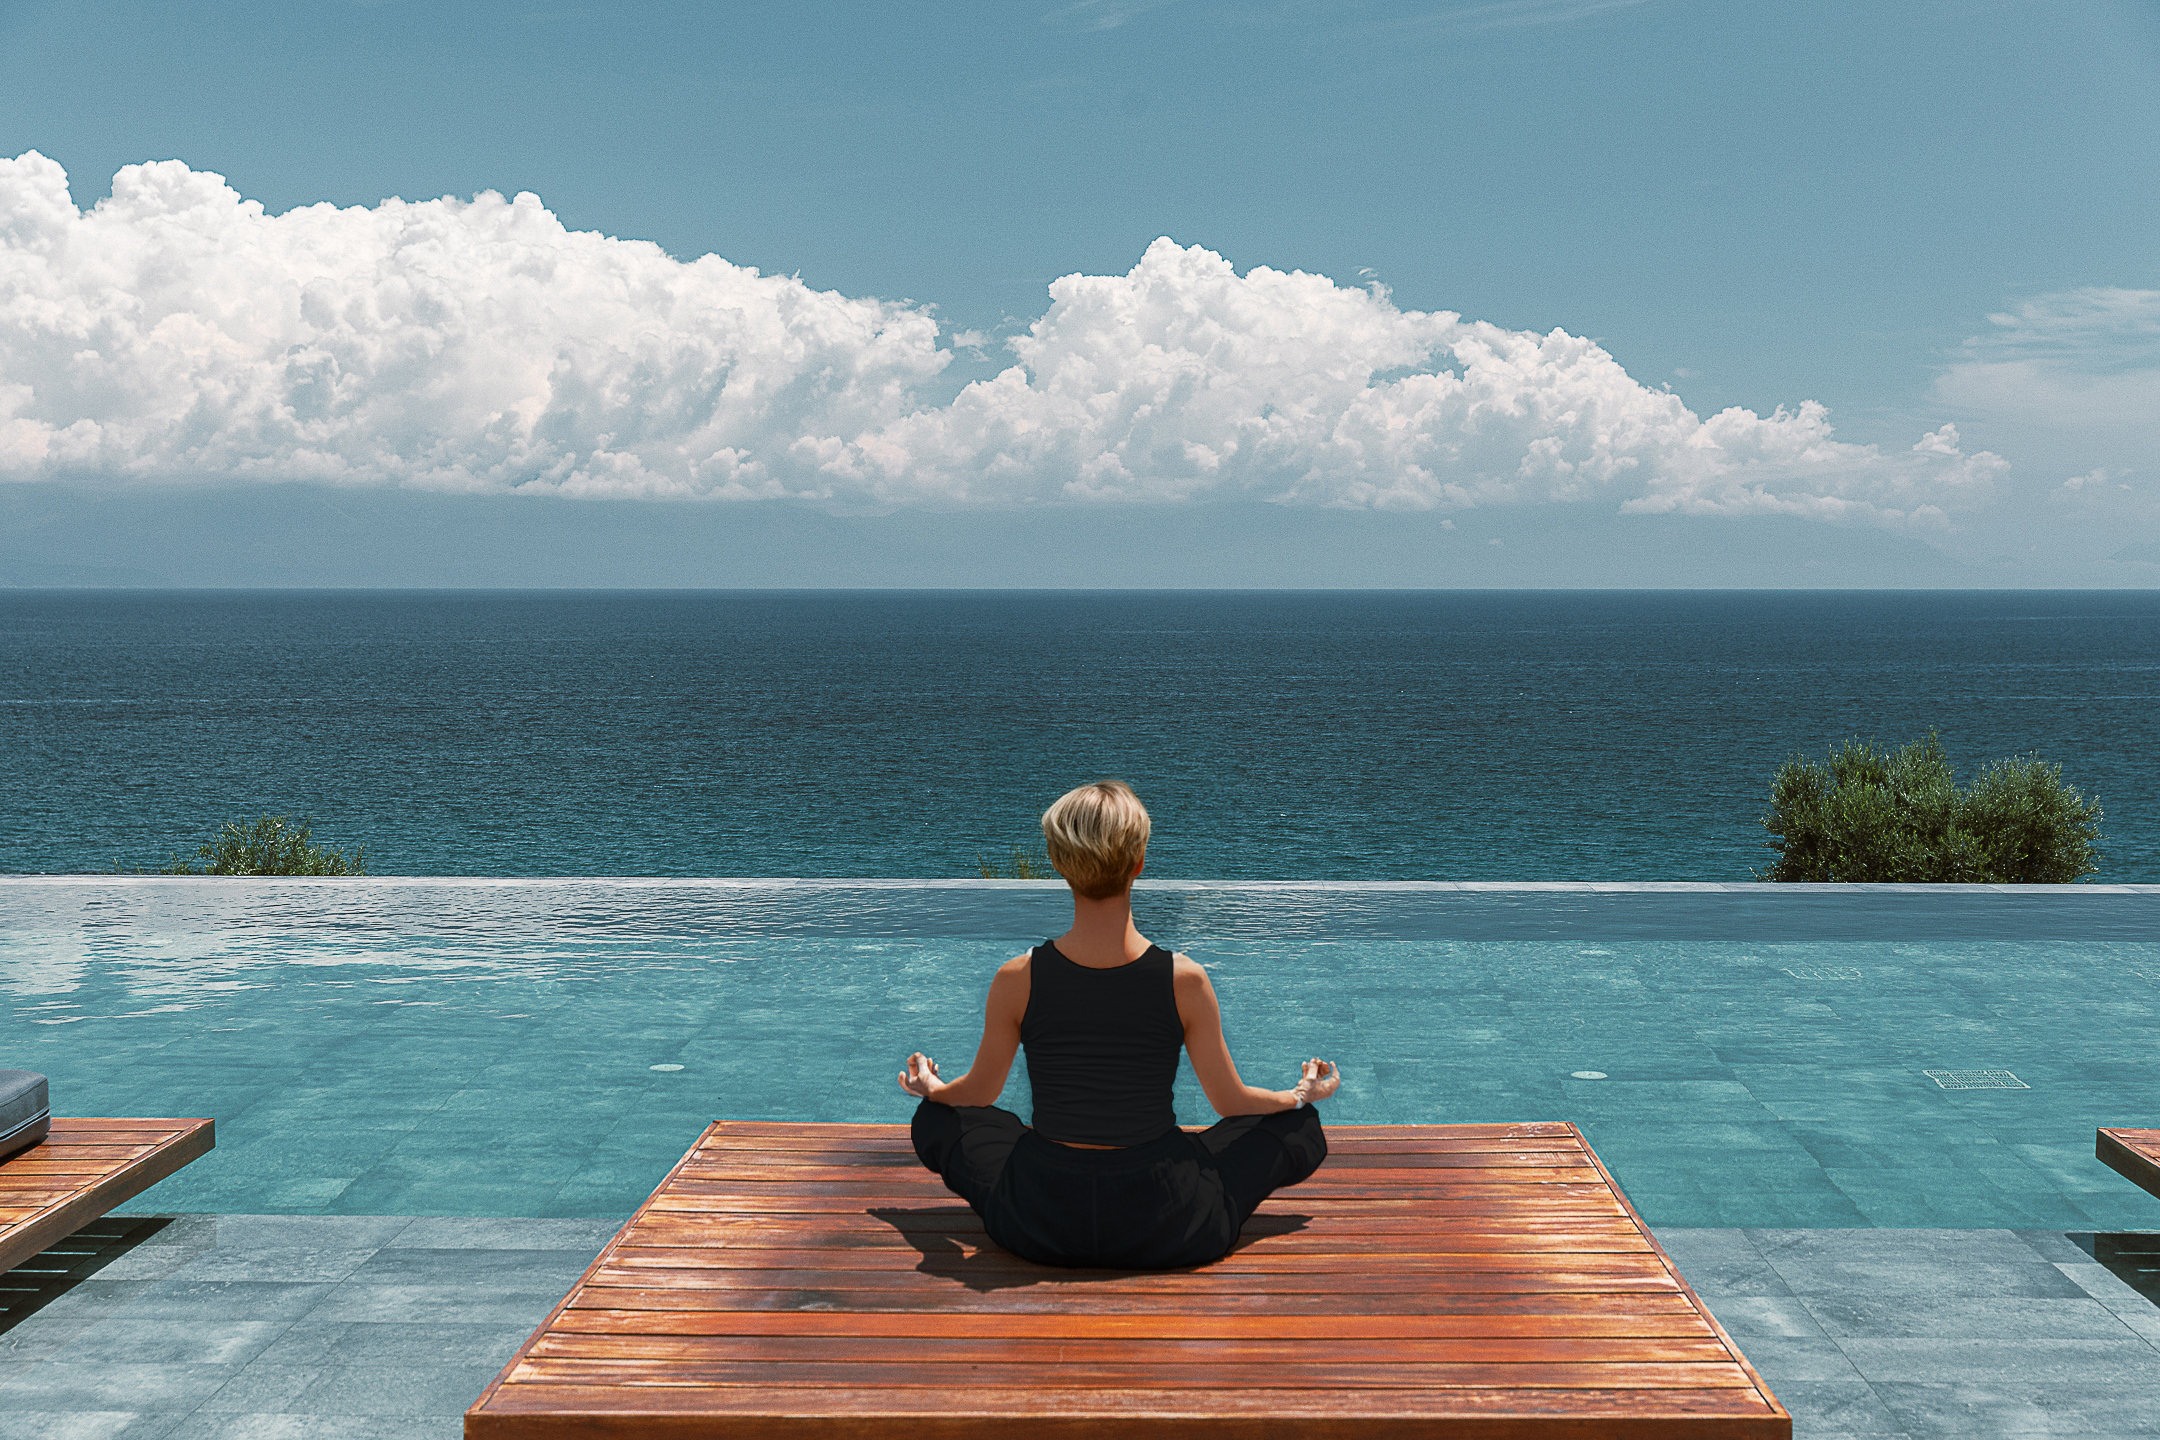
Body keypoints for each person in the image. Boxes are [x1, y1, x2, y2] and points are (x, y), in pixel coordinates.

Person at [899, 779, 1339, 1269]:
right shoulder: (1184, 980)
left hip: (1043, 1215)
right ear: (1139, 863)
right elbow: (1231, 1103)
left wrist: (931, 1087)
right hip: (1164, 1217)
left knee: (941, 1117)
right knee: (1294, 1125)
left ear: (1059, 864)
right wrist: (1301, 1094)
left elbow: (977, 1094)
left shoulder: (1017, 978)